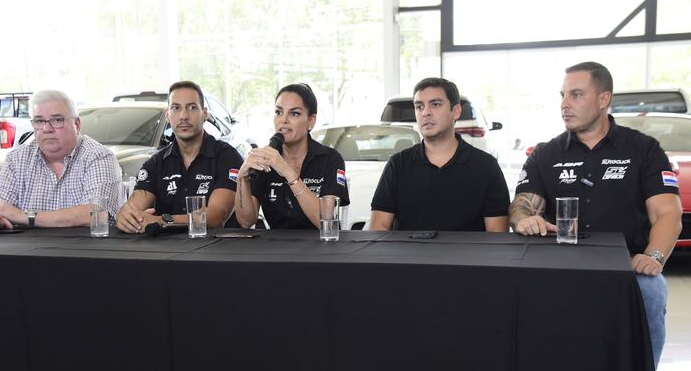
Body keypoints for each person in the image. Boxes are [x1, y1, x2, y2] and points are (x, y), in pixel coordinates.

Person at [509, 61, 682, 368]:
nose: (564, 104)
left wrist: (653, 256)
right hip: (559, 265)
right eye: (562, 95)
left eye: (576, 94)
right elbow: (522, 204)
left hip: (626, 267)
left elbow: (668, 213)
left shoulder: (644, 149)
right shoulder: (545, 154)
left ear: (604, 99)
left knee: (651, 291)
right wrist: (524, 218)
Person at [369, 77, 509, 231]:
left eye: (435, 104)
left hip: (468, 255)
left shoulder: (486, 167)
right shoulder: (398, 164)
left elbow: (497, 235)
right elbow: (378, 227)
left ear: (455, 111)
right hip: (410, 255)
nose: (426, 113)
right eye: (419, 106)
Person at [0, 89, 123, 231]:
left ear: (77, 124)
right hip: (25, 250)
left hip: (85, 250)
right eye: (39, 121)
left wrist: (22, 216)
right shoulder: (17, 159)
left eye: (57, 120)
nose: (46, 128)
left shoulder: (98, 157)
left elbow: (96, 213)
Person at [115, 81, 242, 233]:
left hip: (216, 250)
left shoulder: (228, 157)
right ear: (167, 115)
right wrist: (125, 217)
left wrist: (162, 221)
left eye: (192, 107)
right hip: (166, 251)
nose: (184, 116)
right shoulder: (156, 163)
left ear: (205, 114)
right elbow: (133, 209)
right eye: (176, 108)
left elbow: (216, 216)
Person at [234, 83, 349, 229]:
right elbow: (246, 221)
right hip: (276, 248)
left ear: (311, 121)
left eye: (294, 113)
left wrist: (287, 172)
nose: (284, 120)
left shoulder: (330, 159)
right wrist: (242, 179)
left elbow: (326, 221)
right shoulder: (266, 159)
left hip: (320, 248)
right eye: (278, 112)